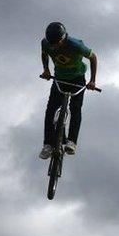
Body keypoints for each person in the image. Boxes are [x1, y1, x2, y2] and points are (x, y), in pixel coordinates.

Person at [39, 21, 98, 159]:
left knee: (76, 108)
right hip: (59, 79)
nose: (54, 46)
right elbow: (44, 53)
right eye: (51, 43)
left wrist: (92, 80)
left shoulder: (76, 45)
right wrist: (46, 69)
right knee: (50, 110)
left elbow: (93, 57)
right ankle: (47, 144)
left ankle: (72, 142)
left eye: (57, 43)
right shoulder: (46, 43)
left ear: (64, 38)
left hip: (77, 79)